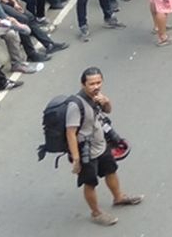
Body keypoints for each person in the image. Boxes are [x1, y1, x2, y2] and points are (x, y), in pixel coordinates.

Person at [66, 67, 143, 226]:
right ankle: (96, 213)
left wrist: (106, 102)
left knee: (111, 170)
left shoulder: (97, 97)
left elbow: (107, 111)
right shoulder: (76, 105)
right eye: (91, 83)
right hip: (86, 151)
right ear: (83, 84)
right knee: (90, 183)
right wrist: (76, 158)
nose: (96, 86)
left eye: (98, 82)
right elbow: (70, 132)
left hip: (102, 144)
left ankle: (118, 197)